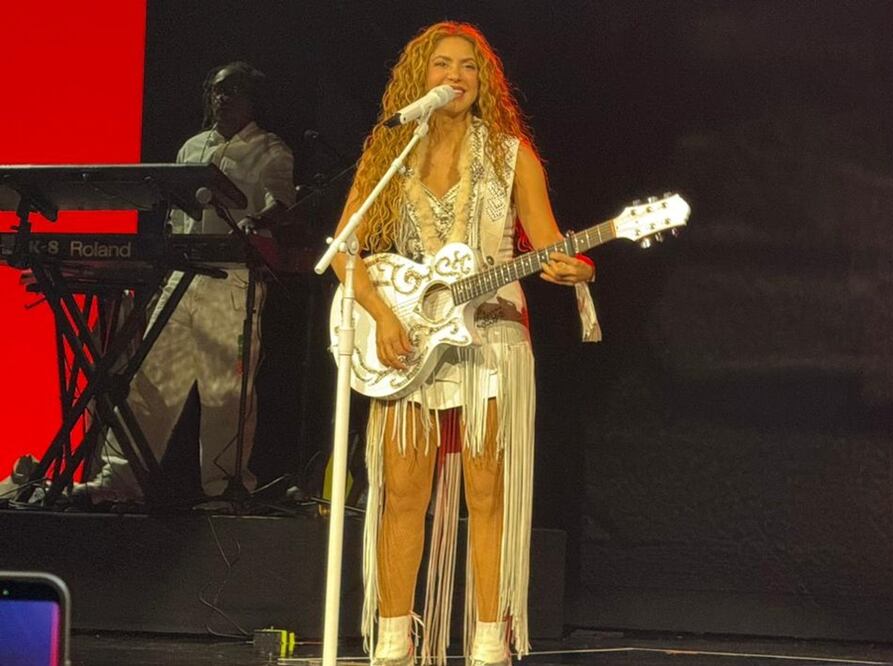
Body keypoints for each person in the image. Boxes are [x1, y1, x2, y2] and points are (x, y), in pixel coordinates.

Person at [332, 22, 600, 666]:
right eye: (442, 64)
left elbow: (547, 242)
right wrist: (382, 317)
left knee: (488, 494)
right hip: (409, 334)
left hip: (493, 334)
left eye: (469, 67)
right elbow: (344, 250)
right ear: (418, 78)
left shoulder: (511, 155)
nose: (456, 76)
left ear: (485, 83)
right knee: (403, 492)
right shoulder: (390, 152)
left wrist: (575, 266)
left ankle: (488, 642)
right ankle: (392, 642)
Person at [73, 61, 295, 505]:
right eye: (216, 90)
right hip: (181, 276)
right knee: (151, 382)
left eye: (232, 90)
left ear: (252, 100)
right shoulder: (192, 147)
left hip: (230, 281)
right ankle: (119, 481)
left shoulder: (271, 150)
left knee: (226, 392)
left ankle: (225, 488)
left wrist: (257, 221)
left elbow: (282, 203)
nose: (222, 98)